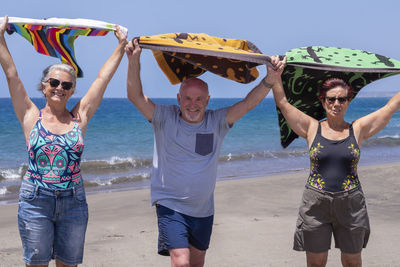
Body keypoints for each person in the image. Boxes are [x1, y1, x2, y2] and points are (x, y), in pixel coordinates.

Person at [125, 39, 285, 267]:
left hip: (203, 209)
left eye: (199, 99)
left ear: (207, 101)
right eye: (188, 98)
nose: (193, 104)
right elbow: (135, 96)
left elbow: (248, 103)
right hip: (170, 205)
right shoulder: (164, 118)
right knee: (181, 261)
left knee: (197, 261)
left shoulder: (217, 122)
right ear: (179, 99)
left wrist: (269, 79)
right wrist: (134, 60)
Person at [0, 16, 127, 267]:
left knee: (68, 264)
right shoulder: (30, 116)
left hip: (73, 201)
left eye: (66, 85)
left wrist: (121, 46)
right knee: (36, 263)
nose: (60, 87)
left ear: (71, 90)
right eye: (54, 82)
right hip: (36, 201)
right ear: (44, 87)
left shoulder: (79, 117)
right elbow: (12, 75)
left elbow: (102, 80)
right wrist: (0, 38)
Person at [270, 58, 400, 267]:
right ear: (323, 101)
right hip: (315, 204)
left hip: (351, 204)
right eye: (331, 99)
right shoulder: (312, 128)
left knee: (352, 262)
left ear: (348, 101)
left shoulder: (357, 129)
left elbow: (390, 107)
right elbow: (283, 103)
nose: (336, 104)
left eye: (342, 99)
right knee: (316, 263)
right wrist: (275, 77)